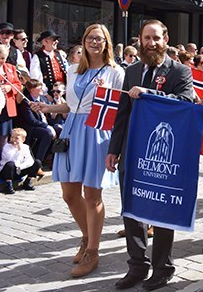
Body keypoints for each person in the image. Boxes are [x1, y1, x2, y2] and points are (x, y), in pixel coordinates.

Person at [30, 24, 124, 278]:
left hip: (97, 133)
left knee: (92, 194)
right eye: (90, 38)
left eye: (100, 38)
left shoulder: (116, 72)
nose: (95, 42)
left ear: (106, 43)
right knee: (69, 194)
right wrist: (47, 108)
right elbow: (71, 106)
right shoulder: (73, 70)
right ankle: (86, 236)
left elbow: (118, 110)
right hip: (72, 132)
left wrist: (117, 145)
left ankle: (93, 251)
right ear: (83, 42)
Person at [106, 20, 194, 291]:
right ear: (140, 40)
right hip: (133, 152)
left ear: (166, 39)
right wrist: (113, 150)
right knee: (131, 211)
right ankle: (137, 266)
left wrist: (151, 94)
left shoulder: (180, 71)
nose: (152, 43)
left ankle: (162, 269)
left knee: (161, 212)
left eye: (157, 38)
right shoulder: (131, 71)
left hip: (163, 155)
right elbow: (122, 113)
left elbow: (187, 103)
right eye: (147, 38)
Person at [0, 44, 23, 165]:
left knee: (3, 136)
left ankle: (3, 163)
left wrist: (10, 87)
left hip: (7, 107)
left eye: (3, 58)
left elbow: (19, 86)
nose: (0, 61)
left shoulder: (10, 68)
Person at [15, 79, 57, 162]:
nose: (41, 90)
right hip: (32, 127)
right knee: (47, 133)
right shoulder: (26, 102)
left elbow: (49, 115)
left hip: (44, 123)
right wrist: (47, 126)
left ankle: (51, 157)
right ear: (32, 90)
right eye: (39, 88)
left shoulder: (43, 99)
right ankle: (38, 162)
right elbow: (31, 120)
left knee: (59, 129)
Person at [0, 127, 43, 194]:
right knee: (10, 164)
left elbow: (30, 161)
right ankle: (8, 185)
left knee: (37, 162)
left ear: (23, 139)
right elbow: (12, 161)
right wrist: (18, 151)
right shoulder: (7, 147)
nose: (13, 140)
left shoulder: (25, 147)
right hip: (7, 171)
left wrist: (20, 167)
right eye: (12, 137)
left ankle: (27, 182)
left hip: (19, 170)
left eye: (16, 138)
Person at [30, 30, 67, 94]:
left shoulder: (59, 54)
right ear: (44, 42)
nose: (56, 41)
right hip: (49, 93)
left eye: (56, 39)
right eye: (53, 39)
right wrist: (45, 93)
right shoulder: (38, 57)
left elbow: (67, 70)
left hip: (63, 92)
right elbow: (36, 77)